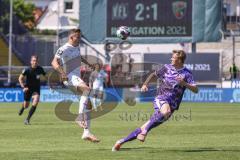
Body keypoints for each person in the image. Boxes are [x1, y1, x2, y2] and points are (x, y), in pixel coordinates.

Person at [112, 50, 199, 151]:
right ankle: (145, 131)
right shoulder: (167, 68)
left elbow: (196, 90)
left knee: (146, 126)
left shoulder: (187, 74)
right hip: (161, 97)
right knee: (165, 112)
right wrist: (145, 84)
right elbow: (153, 75)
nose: (171, 58)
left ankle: (120, 142)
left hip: (173, 106)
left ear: (179, 60)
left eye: (173, 57)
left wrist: (185, 84)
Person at [51, 28, 100, 143]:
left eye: (80, 37)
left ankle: (86, 132)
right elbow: (53, 62)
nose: (79, 39)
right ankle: (79, 117)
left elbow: (79, 57)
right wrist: (62, 73)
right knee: (87, 89)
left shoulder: (76, 47)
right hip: (69, 76)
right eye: (77, 37)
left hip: (75, 77)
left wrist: (89, 64)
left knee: (89, 105)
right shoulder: (63, 48)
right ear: (71, 37)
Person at [18, 55, 46, 125]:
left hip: (36, 89)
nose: (35, 62)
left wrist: (50, 83)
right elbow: (20, 78)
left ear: (37, 62)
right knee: (26, 106)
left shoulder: (40, 69)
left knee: (36, 100)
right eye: (33, 61)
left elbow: (45, 76)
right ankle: (23, 108)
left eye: (36, 61)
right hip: (28, 89)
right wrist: (23, 87)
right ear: (31, 62)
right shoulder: (27, 70)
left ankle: (27, 119)